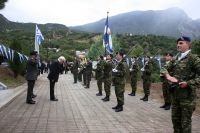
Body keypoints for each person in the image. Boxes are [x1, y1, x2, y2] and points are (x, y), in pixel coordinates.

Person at [163, 36, 200, 133]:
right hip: (175, 96)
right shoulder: (175, 58)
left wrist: (188, 83)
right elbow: (164, 68)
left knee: (185, 124)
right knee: (175, 122)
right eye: (177, 43)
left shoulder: (193, 58)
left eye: (181, 43)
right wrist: (168, 76)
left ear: (188, 44)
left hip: (187, 98)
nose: (178, 45)